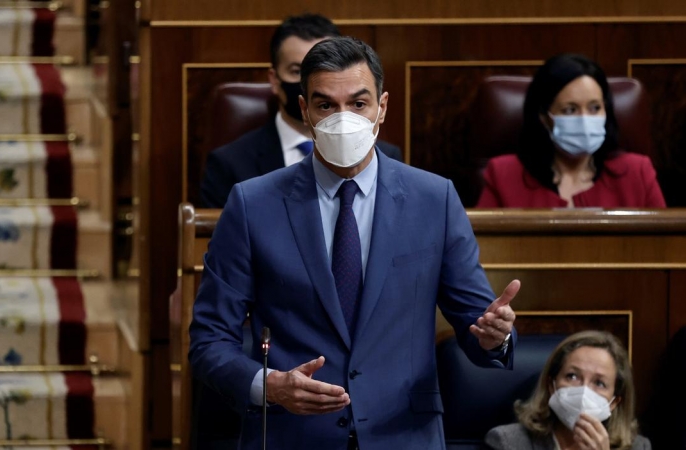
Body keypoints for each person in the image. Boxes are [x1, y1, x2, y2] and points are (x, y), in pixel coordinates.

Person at [189, 36, 520, 449]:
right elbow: (208, 340)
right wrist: (269, 385)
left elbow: (477, 324)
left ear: (381, 107)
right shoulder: (251, 204)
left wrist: (495, 337)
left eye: (358, 104)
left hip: (402, 434)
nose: (342, 117)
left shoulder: (434, 199)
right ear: (305, 110)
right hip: (293, 434)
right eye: (326, 105)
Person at [199, 14, 402, 208]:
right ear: (275, 80)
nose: (310, 80)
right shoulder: (229, 163)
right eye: (298, 71)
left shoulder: (387, 156)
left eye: (324, 66)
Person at [476, 54, 666, 208]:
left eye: (594, 108)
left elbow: (664, 248)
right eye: (570, 110)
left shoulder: (637, 173)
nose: (584, 119)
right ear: (544, 117)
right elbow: (483, 248)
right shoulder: (503, 175)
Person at [485, 330, 651, 450]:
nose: (584, 391)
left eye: (599, 383)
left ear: (614, 402)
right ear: (552, 385)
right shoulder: (507, 442)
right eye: (572, 376)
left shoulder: (638, 447)